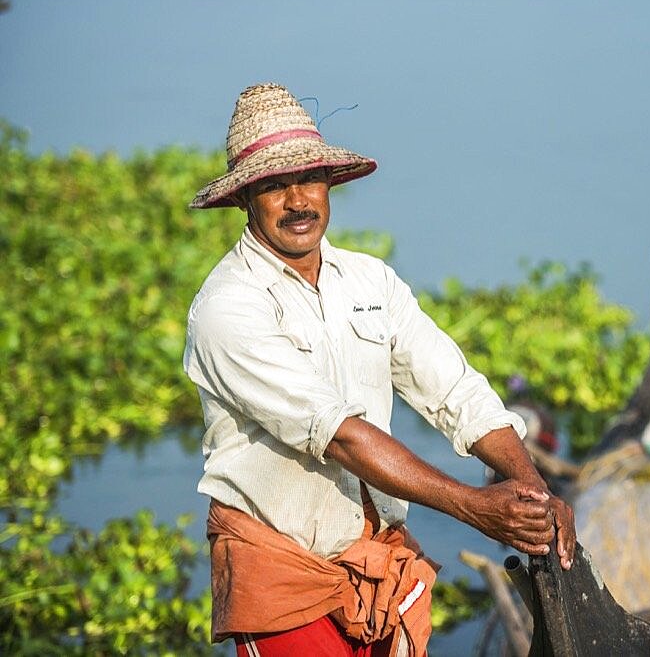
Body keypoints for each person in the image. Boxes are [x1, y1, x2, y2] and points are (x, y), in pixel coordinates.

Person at [183, 83, 575, 657]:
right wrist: (473, 506)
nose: (298, 201)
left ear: (330, 184)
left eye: (309, 179)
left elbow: (455, 390)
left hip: (379, 556)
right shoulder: (228, 306)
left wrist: (533, 493)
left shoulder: (370, 282)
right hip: (283, 568)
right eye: (274, 185)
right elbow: (340, 436)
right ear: (246, 198)